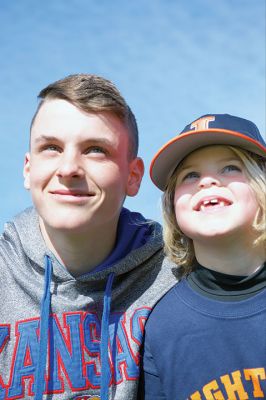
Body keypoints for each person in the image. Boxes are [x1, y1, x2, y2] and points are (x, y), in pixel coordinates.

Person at [0, 74, 177, 400]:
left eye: (95, 150)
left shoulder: (176, 275)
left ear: (133, 176)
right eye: (51, 148)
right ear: (28, 169)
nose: (68, 168)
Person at [141, 114, 266, 399]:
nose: (208, 181)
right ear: (173, 206)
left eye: (231, 167)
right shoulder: (163, 326)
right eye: (190, 175)